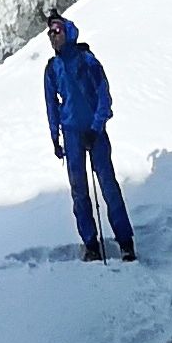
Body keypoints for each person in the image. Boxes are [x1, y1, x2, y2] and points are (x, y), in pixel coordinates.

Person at [42, 13, 135, 263]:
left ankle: (125, 242)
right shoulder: (52, 68)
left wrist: (96, 127)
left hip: (94, 132)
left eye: (56, 31)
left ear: (68, 32)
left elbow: (103, 95)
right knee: (79, 191)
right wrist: (55, 138)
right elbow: (51, 105)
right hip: (73, 134)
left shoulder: (87, 60)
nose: (52, 36)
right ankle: (91, 244)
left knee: (108, 186)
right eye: (50, 33)